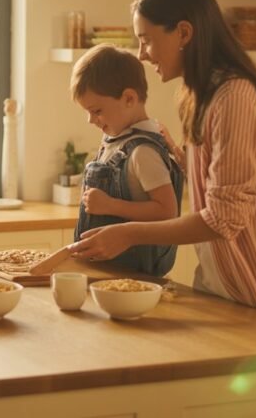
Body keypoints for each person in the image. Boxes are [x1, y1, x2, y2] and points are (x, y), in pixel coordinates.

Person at [70, 0, 256, 319]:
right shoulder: (196, 97)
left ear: (184, 33)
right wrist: (181, 157)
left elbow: (224, 218)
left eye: (146, 40)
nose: (142, 55)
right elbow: (222, 182)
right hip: (223, 284)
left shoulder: (235, 97)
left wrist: (127, 234)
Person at [70, 44, 183, 277]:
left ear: (129, 98)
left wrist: (110, 206)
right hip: (107, 270)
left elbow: (167, 211)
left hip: (134, 275)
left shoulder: (143, 152)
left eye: (97, 110)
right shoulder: (116, 140)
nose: (91, 120)